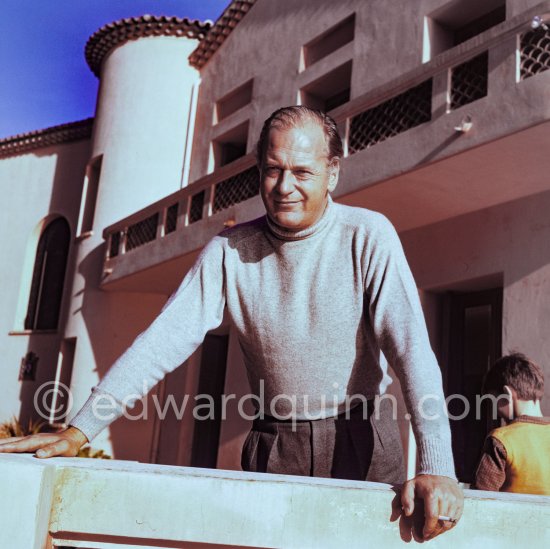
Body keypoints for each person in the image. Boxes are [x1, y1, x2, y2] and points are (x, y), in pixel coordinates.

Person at [0, 106, 463, 540]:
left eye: (303, 171)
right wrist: (80, 430)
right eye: (273, 169)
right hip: (274, 445)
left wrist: (437, 462)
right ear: (260, 170)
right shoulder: (228, 252)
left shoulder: (368, 235)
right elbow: (161, 341)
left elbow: (411, 350)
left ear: (332, 173)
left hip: (364, 438)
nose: (286, 186)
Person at [473, 352, 550, 495]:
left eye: (493, 401)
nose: (495, 411)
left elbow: (481, 498)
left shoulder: (500, 439)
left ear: (506, 393)